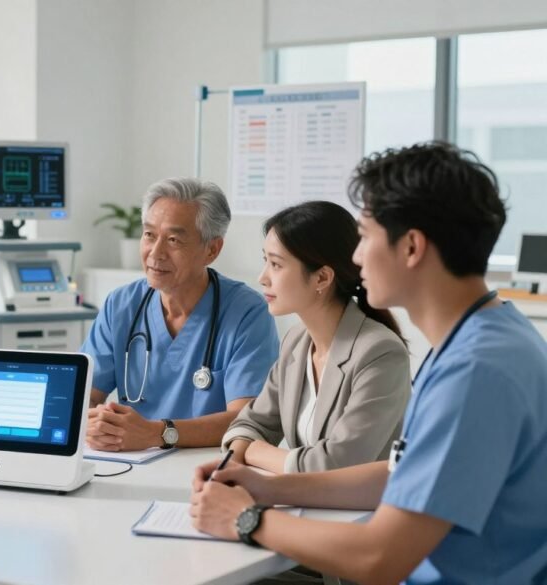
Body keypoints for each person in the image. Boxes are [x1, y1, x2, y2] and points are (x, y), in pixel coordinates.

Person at [191, 142, 547, 584]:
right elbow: (399, 476)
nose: (355, 258)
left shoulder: (476, 371)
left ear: (412, 247)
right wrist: (268, 487)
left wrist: (248, 519)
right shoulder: (480, 338)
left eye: (365, 236)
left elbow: (381, 558)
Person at [81, 178, 278, 451]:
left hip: (208, 468)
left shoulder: (247, 313)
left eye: (173, 240)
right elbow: (83, 398)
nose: (156, 253)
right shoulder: (121, 305)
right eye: (149, 235)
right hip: (128, 461)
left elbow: (246, 421)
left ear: (212, 249)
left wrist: (157, 433)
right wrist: (94, 424)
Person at [221, 201, 411, 473]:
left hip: (362, 512)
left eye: (276, 264)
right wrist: (239, 454)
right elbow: (252, 423)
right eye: (266, 261)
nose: (263, 278)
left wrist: (254, 450)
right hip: (304, 501)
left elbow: (337, 463)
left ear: (322, 278)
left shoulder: (380, 353)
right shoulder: (296, 342)